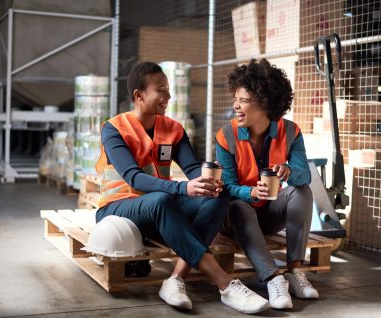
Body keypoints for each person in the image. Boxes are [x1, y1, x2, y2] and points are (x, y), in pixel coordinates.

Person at [95, 61, 269, 314]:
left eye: (168, 89)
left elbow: (192, 170)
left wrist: (209, 182)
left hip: (159, 210)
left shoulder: (172, 129)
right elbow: (133, 178)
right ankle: (225, 283)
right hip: (117, 210)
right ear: (139, 95)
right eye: (161, 90)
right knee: (161, 199)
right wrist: (183, 189)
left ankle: (175, 280)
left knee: (218, 197)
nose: (168, 96)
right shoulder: (114, 129)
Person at [216, 58, 318, 310]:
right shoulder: (226, 136)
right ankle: (273, 278)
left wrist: (289, 171)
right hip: (236, 219)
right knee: (239, 205)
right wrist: (249, 191)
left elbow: (304, 175)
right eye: (235, 99)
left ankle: (295, 271)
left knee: (301, 192)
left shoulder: (291, 132)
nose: (236, 106)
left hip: (269, 216)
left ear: (264, 102)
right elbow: (227, 186)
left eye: (243, 100)